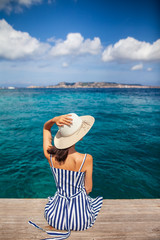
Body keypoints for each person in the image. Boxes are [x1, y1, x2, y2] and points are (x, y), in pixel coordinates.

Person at [29, 113, 103, 239]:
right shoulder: (86, 159)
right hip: (81, 220)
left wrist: (53, 120)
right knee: (95, 201)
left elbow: (46, 129)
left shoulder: (50, 156)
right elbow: (88, 189)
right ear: (79, 137)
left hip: (55, 217)